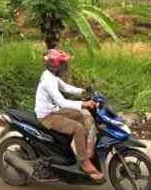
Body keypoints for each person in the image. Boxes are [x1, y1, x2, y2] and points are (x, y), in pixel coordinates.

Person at [35, 48, 102, 182]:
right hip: (47, 116)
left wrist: (83, 91)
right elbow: (61, 101)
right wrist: (83, 104)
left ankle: (81, 148)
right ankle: (84, 162)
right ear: (54, 65)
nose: (64, 66)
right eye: (62, 64)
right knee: (78, 128)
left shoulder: (51, 76)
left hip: (53, 110)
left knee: (79, 116)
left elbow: (65, 87)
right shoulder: (48, 79)